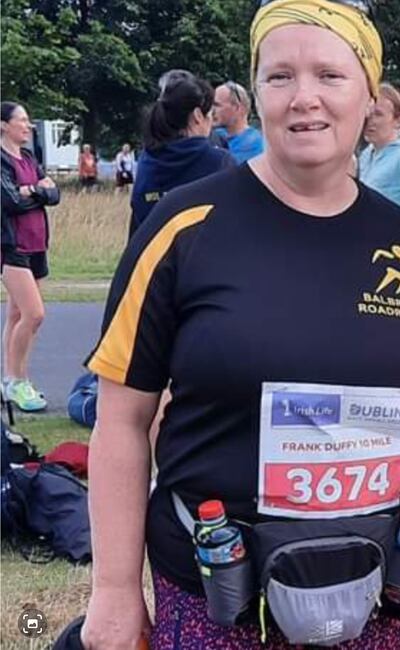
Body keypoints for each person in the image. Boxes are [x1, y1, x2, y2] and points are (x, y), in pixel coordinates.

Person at [82, 2, 400, 649]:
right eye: (280, 76)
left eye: (329, 76)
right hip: (215, 598)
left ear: (370, 91)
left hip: (373, 595)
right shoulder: (183, 225)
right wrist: (114, 591)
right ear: (255, 92)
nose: (303, 97)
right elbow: (121, 417)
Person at [1, 101, 60, 411]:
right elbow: (9, 201)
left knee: (17, 316)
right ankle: (16, 381)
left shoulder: (28, 157)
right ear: (3, 125)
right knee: (34, 314)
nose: (28, 126)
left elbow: (55, 194)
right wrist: (37, 191)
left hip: (38, 244)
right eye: (21, 120)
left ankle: (12, 378)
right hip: (13, 247)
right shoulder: (1, 160)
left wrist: (32, 190)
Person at [129, 69, 235, 236]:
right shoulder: (220, 162)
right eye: (210, 115)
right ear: (198, 116)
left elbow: (136, 230)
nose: (211, 124)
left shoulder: (146, 162)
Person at [359, 82, 400, 205]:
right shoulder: (365, 155)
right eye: (368, 113)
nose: (370, 120)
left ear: (397, 120)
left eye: (378, 114)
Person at [213, 81, 265, 162]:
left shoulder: (255, 145)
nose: (212, 110)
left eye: (217, 105)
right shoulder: (214, 137)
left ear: (237, 108)